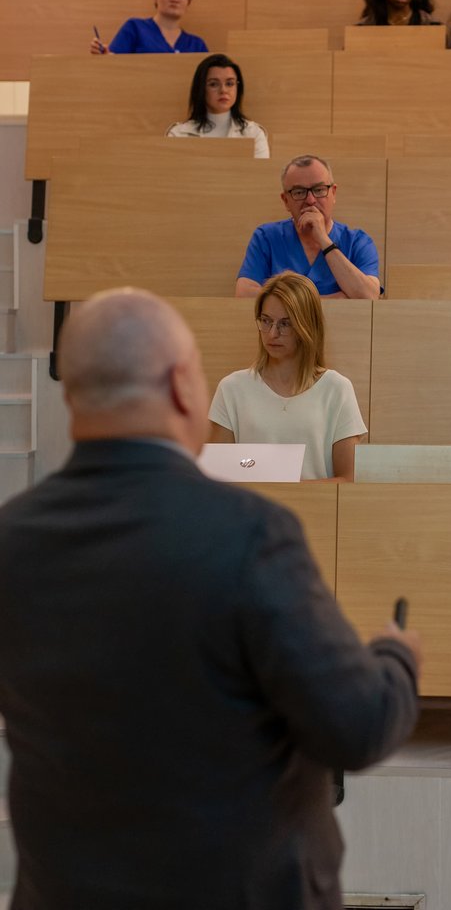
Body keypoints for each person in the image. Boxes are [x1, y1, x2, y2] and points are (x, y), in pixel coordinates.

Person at [0, 287, 420, 910]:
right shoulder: (252, 535)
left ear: (72, 394)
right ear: (181, 387)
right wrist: (396, 656)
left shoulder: (12, 540)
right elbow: (356, 727)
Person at [210, 272, 367, 480]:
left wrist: (292, 491)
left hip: (317, 502)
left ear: (306, 326)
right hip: (251, 501)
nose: (272, 333)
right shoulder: (231, 388)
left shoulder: (337, 388)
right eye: (266, 321)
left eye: (285, 324)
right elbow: (217, 477)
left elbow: (348, 479)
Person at [235, 154, 381, 300]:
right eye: (299, 192)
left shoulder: (358, 242)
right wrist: (333, 299)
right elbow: (244, 294)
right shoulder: (266, 237)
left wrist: (324, 240)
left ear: (333, 193)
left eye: (319, 190)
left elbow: (369, 297)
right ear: (286, 201)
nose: (310, 200)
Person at [165, 53, 269, 158]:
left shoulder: (254, 134)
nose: (223, 90)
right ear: (201, 89)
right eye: (213, 84)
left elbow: (260, 169)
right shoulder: (178, 134)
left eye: (229, 84)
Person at [90, 0, 208, 55]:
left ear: (188, 2)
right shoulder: (134, 28)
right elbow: (113, 66)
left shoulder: (197, 45)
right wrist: (104, 56)